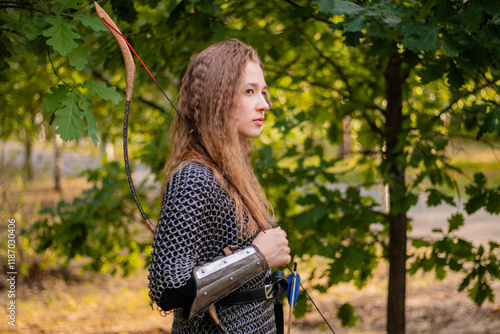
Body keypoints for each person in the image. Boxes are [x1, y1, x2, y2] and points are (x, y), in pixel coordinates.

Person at [148, 39, 291, 334]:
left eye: (263, 92)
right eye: (249, 91)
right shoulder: (193, 179)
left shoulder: (228, 174)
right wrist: (257, 257)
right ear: (219, 97)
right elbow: (168, 287)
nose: (265, 103)